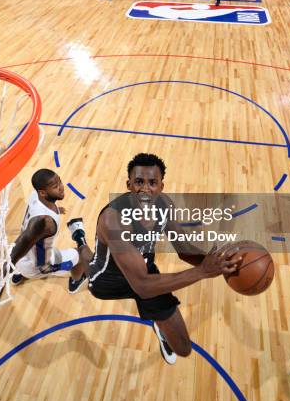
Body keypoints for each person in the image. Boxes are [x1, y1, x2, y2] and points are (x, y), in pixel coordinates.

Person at [85, 153, 241, 364]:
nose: (145, 189)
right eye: (139, 182)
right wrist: (203, 271)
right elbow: (142, 286)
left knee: (183, 348)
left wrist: (216, 264)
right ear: (129, 184)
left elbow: (183, 249)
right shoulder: (113, 220)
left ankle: (160, 327)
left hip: (143, 270)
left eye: (152, 183)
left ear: (161, 186)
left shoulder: (164, 206)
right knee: (89, 262)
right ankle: (79, 246)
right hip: (108, 281)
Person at [0, 169, 91, 323]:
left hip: (24, 258)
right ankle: (76, 280)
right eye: (55, 186)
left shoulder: (35, 196)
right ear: (43, 193)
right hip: (37, 266)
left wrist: (57, 210)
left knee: (31, 249)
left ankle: (20, 275)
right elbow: (9, 261)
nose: (61, 187)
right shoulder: (44, 223)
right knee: (79, 254)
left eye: (60, 182)